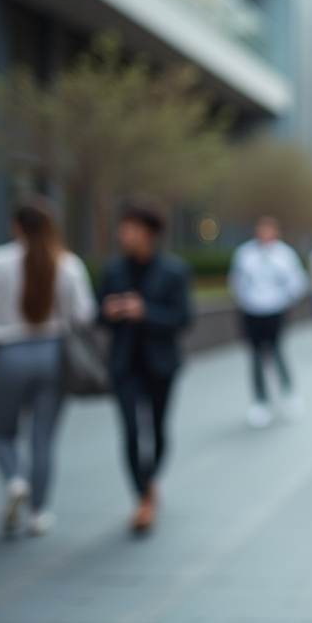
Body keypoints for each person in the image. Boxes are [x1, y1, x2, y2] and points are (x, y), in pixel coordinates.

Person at [0, 199, 95, 536]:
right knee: (43, 439)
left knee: (4, 432)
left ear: (16, 225)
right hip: (53, 355)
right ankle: (38, 511)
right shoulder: (67, 264)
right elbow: (84, 315)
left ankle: (15, 480)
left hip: (8, 355)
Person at [98, 200, 192, 532]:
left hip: (160, 364)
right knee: (130, 431)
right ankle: (142, 497)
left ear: (149, 233)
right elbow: (98, 317)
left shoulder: (173, 271)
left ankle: (149, 480)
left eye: (131, 228)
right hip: (124, 364)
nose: (123, 234)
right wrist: (107, 313)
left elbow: (183, 318)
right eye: (122, 228)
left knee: (159, 431)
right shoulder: (113, 270)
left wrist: (145, 312)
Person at [228, 216, 308, 428]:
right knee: (255, 356)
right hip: (251, 311)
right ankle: (260, 401)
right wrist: (246, 300)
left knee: (277, 351)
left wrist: (283, 299)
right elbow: (236, 280)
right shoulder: (245, 254)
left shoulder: (284, 254)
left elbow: (297, 281)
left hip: (276, 310)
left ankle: (288, 393)